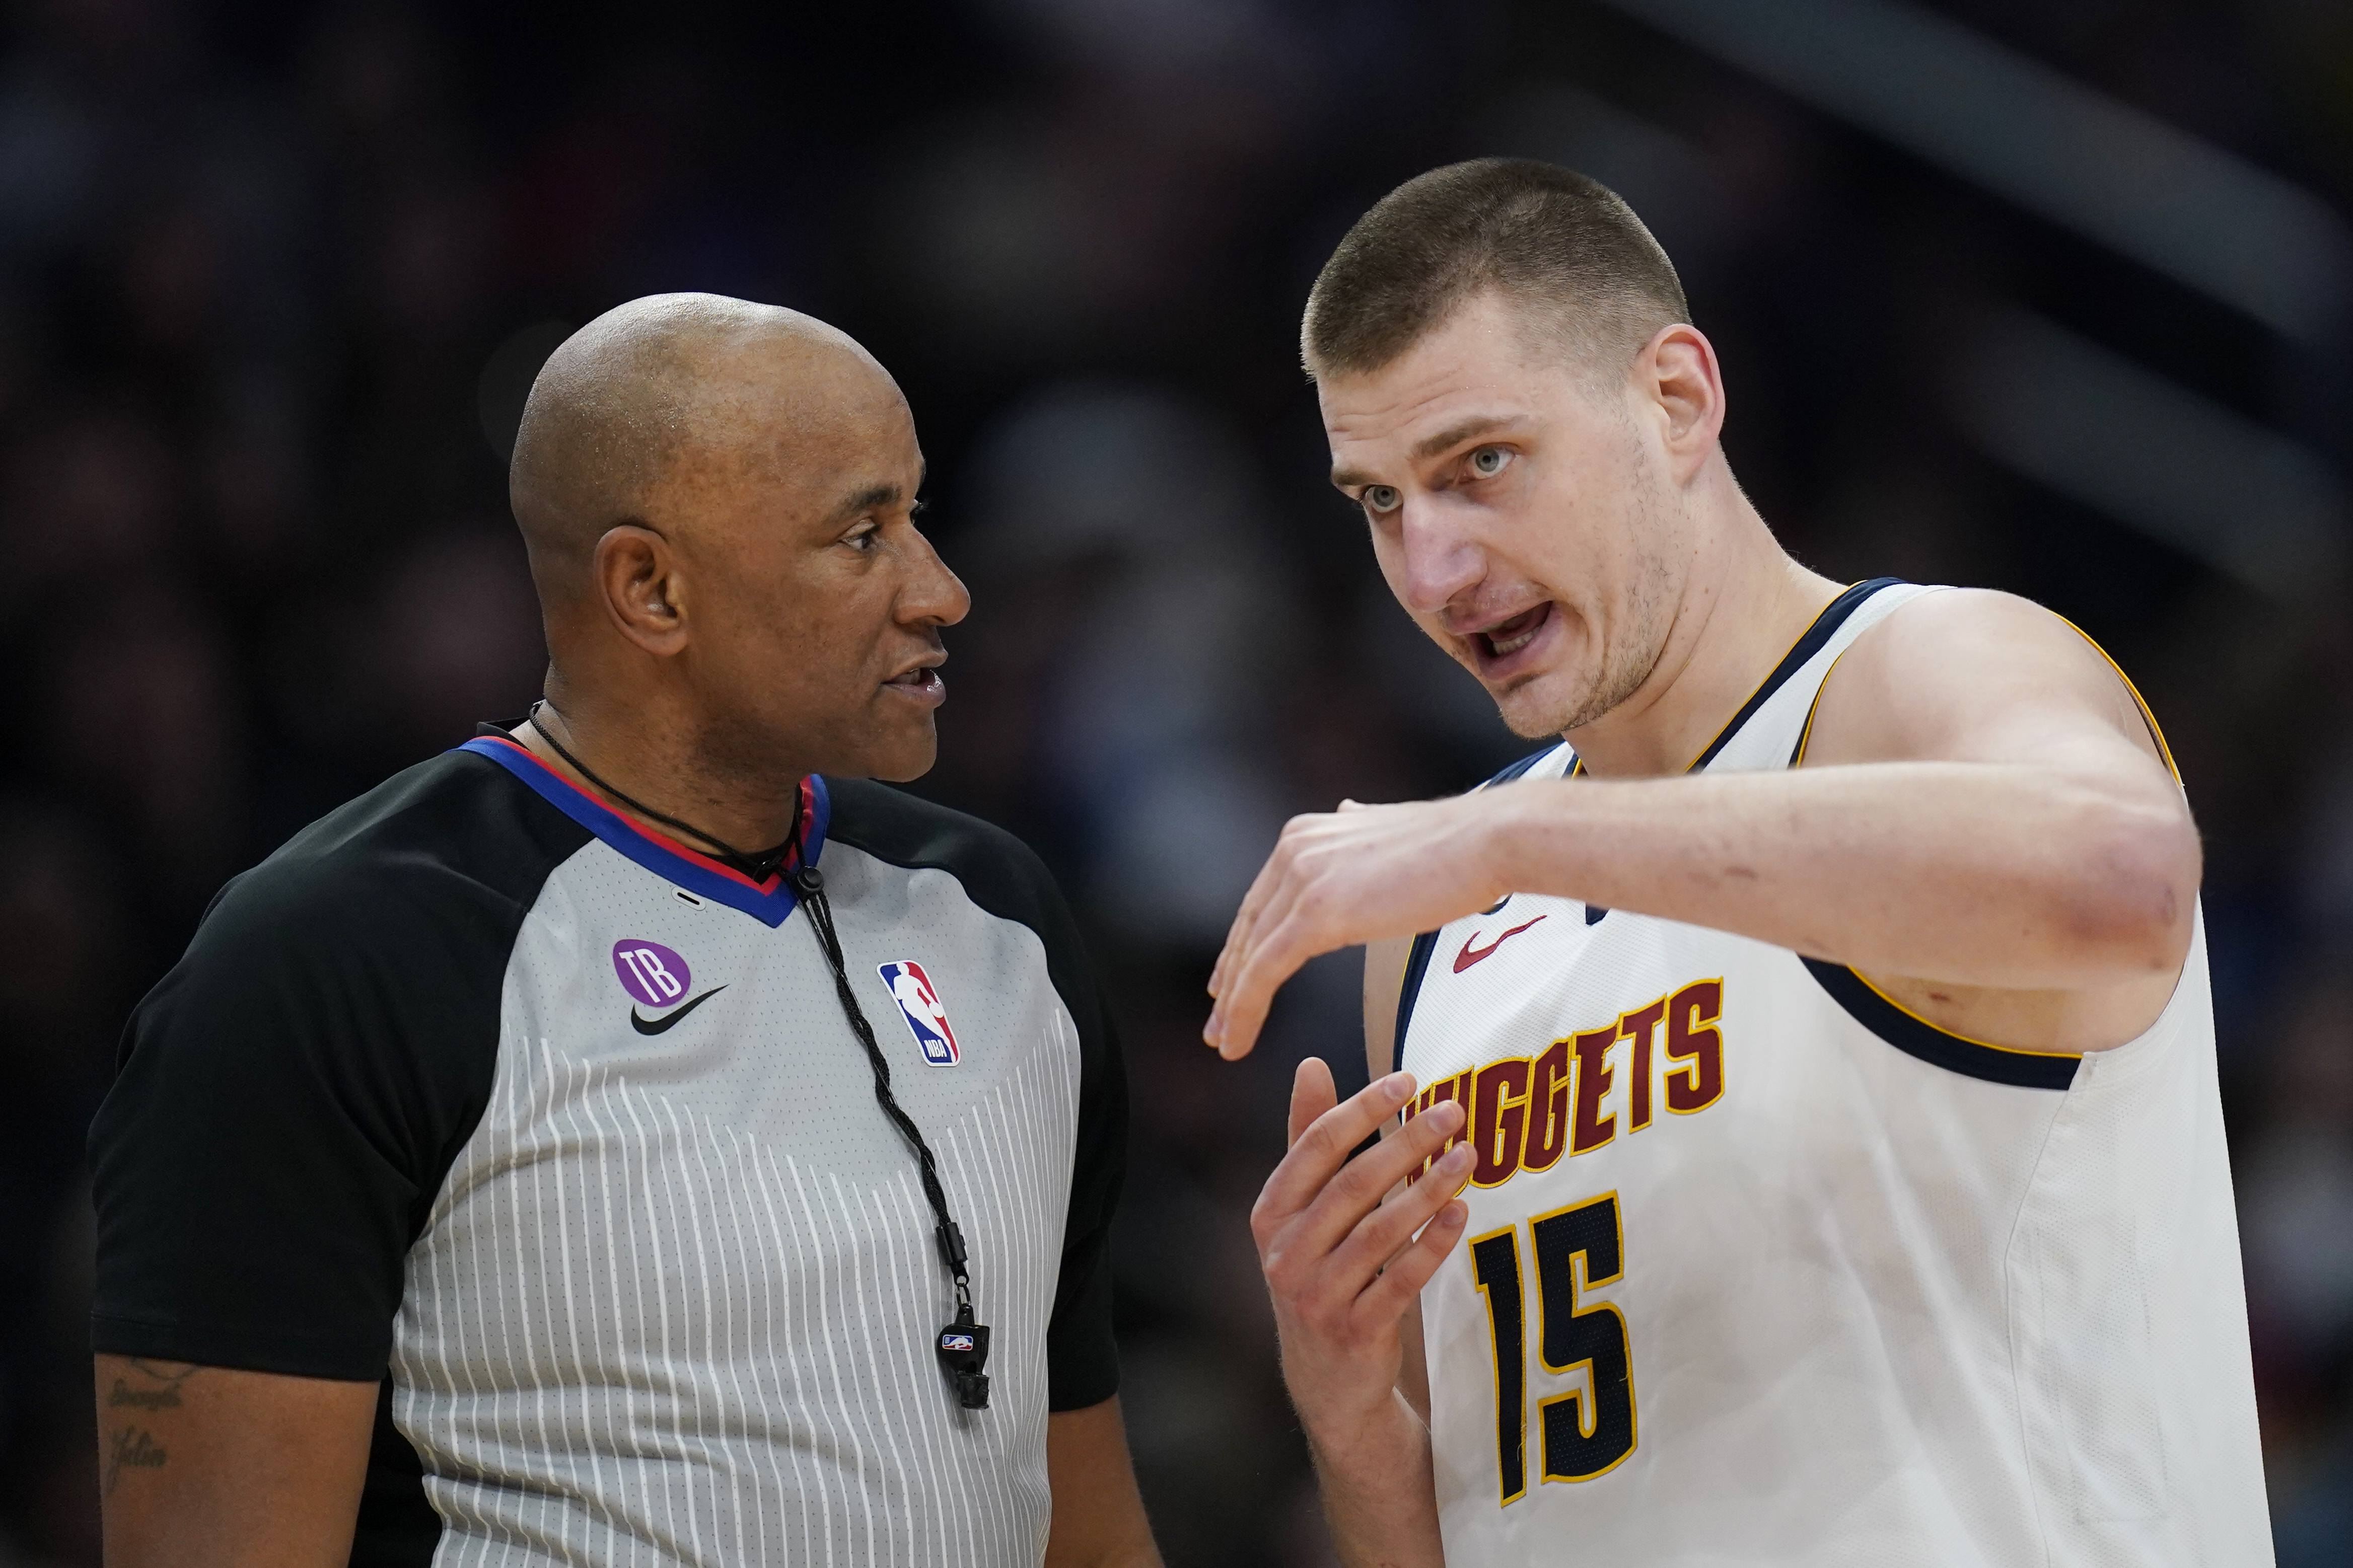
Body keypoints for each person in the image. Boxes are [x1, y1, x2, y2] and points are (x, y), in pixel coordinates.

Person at [1205, 161, 2269, 1565]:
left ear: (1676, 399)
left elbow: (2125, 880)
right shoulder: (1438, 936)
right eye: (1382, 501)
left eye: (1481, 465)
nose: (1435, 569)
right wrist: (1351, 1421)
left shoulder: (1912, 673)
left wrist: (1510, 833)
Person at [88, 294, 1161, 1568]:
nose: (944, 589)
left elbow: (1088, 1536)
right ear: (650, 590)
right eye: (862, 534)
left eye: (916, 517)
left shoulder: (1001, 920)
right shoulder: (335, 957)